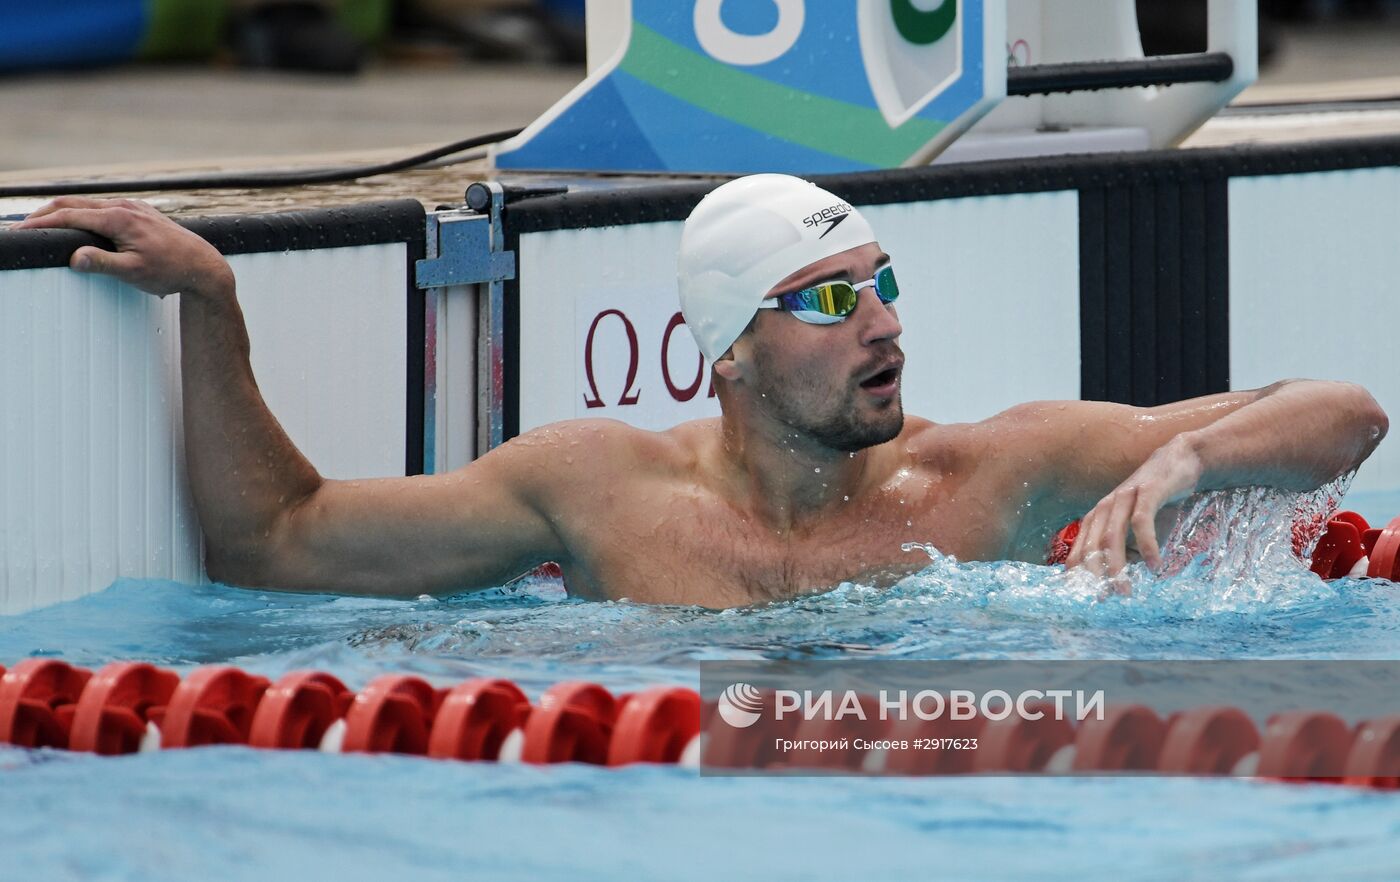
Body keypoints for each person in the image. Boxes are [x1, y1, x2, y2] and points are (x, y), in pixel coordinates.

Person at [11, 175, 1388, 607]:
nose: (887, 323)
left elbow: (1348, 409)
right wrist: (215, 304)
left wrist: (1191, 462)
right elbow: (276, 544)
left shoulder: (993, 475)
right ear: (728, 349)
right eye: (835, 298)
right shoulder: (595, 491)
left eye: (886, 282)